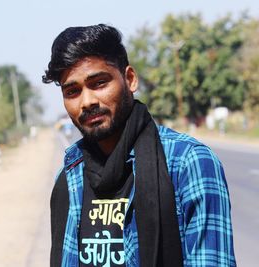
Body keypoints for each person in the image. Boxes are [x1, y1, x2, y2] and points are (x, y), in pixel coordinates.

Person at [42, 24, 235, 267]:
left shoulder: (188, 163)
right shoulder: (70, 176)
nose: (87, 101)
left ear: (130, 79)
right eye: (73, 91)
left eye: (99, 83)